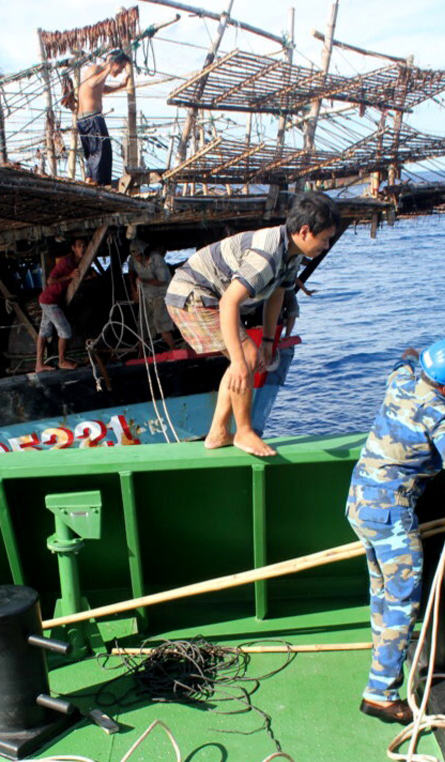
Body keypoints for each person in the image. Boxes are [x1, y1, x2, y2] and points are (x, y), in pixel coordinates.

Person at [347, 340, 445, 725]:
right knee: (403, 602)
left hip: (359, 502)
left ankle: (381, 657)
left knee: (381, 590)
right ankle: (380, 693)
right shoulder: (439, 412)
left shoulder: (400, 382)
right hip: (391, 514)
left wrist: (412, 353)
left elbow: (402, 361)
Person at [164, 192, 340, 457]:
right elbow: (228, 303)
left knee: (244, 359)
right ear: (305, 231)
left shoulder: (290, 254)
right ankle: (244, 432)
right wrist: (239, 359)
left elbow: (277, 295)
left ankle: (218, 432)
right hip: (191, 294)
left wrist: (269, 342)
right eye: (325, 239)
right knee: (243, 357)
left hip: (210, 297)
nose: (326, 246)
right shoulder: (266, 255)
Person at [76, 50, 130, 186]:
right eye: (121, 67)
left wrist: (120, 86)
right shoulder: (95, 69)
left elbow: (101, 88)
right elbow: (92, 84)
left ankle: (91, 179)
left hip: (85, 120)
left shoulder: (99, 73)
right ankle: (99, 183)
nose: (120, 72)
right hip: (91, 118)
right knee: (102, 152)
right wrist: (108, 67)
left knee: (94, 153)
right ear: (114, 62)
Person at [36, 239, 84, 372]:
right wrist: (69, 276)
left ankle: (39, 364)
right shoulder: (66, 262)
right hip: (49, 300)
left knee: (44, 331)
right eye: (80, 246)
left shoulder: (76, 262)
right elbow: (50, 280)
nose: (82, 249)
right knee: (65, 331)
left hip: (49, 300)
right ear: (73, 248)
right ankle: (62, 361)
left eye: (84, 246)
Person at [129, 239, 176, 351]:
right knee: (143, 325)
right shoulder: (133, 260)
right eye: (135, 256)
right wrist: (133, 289)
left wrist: (144, 280)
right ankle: (141, 353)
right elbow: (131, 271)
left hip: (161, 294)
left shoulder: (157, 259)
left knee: (161, 324)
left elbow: (162, 281)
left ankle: (173, 348)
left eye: (139, 255)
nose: (137, 258)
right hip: (146, 295)